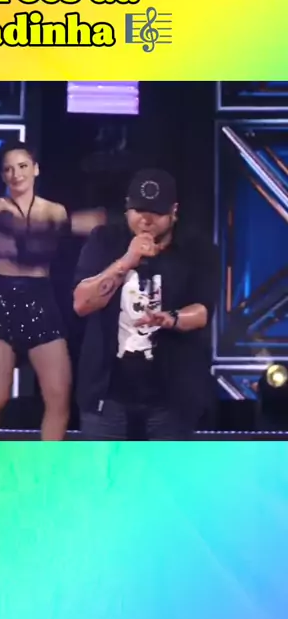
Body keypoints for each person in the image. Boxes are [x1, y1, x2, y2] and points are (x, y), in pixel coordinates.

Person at [0, 141, 104, 441]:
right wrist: (77, 223)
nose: (16, 174)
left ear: (36, 169)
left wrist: (92, 222)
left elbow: (57, 229)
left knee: (59, 396)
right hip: (1, 299)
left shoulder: (55, 210)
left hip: (40, 299)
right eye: (9, 169)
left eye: (23, 166)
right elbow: (21, 235)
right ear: (2, 175)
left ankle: (46, 466)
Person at [73, 168, 219, 440]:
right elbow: (82, 303)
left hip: (171, 396)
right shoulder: (104, 241)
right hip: (106, 392)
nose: (146, 220)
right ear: (126, 208)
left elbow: (202, 312)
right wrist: (127, 261)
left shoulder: (197, 250)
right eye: (139, 210)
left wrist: (171, 318)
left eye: (156, 212)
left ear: (174, 212)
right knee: (103, 467)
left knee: (165, 467)